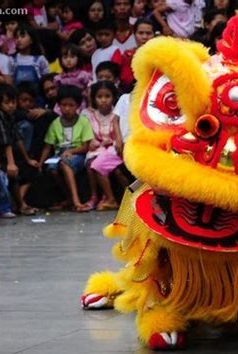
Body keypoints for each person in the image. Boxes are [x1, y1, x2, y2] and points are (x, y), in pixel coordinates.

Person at [39, 85, 94, 212]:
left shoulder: (83, 121)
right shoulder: (55, 123)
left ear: (78, 106)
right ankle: (68, 197)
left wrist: (71, 151)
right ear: (59, 105)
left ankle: (76, 201)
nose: (67, 109)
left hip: (78, 154)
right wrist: (41, 163)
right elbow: (48, 146)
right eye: (64, 105)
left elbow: (86, 146)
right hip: (59, 155)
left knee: (64, 164)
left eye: (71, 105)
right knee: (52, 169)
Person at [0, 83, 40, 216]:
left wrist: (28, 159)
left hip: (11, 154)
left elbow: (17, 140)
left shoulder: (11, 116)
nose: (11, 105)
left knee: (33, 168)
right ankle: (20, 204)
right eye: (7, 102)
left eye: (13, 102)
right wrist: (11, 163)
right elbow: (5, 142)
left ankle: (19, 202)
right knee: (13, 175)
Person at [81, 81, 128, 211]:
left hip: (115, 147)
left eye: (107, 96)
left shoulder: (117, 114)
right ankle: (96, 196)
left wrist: (111, 142)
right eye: (99, 97)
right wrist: (94, 142)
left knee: (103, 165)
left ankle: (110, 198)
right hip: (99, 147)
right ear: (94, 99)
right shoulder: (90, 116)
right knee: (91, 161)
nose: (103, 100)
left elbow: (121, 133)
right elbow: (90, 136)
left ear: (113, 97)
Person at [119, 18, 154, 93]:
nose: (144, 37)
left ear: (154, 35)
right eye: (140, 33)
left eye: (148, 33)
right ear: (134, 34)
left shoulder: (160, 56)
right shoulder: (127, 55)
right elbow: (126, 80)